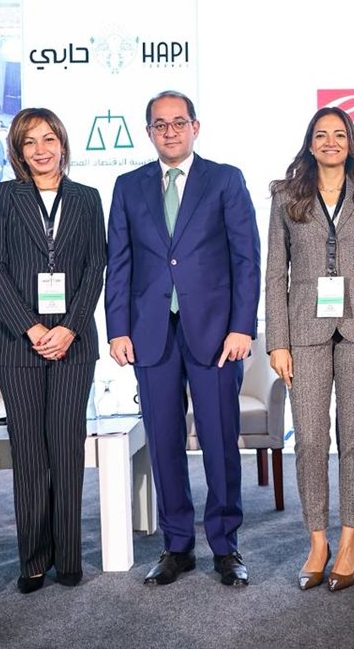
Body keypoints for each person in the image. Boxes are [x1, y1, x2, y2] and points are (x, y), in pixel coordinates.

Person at [105, 91, 260, 587]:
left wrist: (242, 326)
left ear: (196, 127)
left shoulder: (225, 179)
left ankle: (225, 545)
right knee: (164, 442)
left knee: (219, 441)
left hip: (216, 334)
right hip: (151, 333)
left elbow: (246, 258)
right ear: (148, 132)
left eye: (178, 122)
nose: (169, 132)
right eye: (160, 124)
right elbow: (119, 262)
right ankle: (177, 545)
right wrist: (117, 328)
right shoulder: (128, 186)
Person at [0, 108, 106, 593]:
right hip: (19, 344)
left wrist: (70, 327)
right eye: (29, 141)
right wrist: (31, 327)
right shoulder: (3, 196)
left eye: (49, 139)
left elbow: (95, 267)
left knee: (68, 449)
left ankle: (68, 556)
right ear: (18, 150)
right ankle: (33, 559)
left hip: (74, 343)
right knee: (30, 452)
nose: (41, 149)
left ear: (63, 144)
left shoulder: (87, 198)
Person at [265, 107, 354, 593]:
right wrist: (277, 341)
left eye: (340, 134)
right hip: (304, 331)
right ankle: (317, 541)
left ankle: (349, 539)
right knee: (311, 440)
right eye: (322, 135)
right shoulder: (286, 195)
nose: (331, 142)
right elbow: (275, 272)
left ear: (351, 142)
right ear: (310, 143)